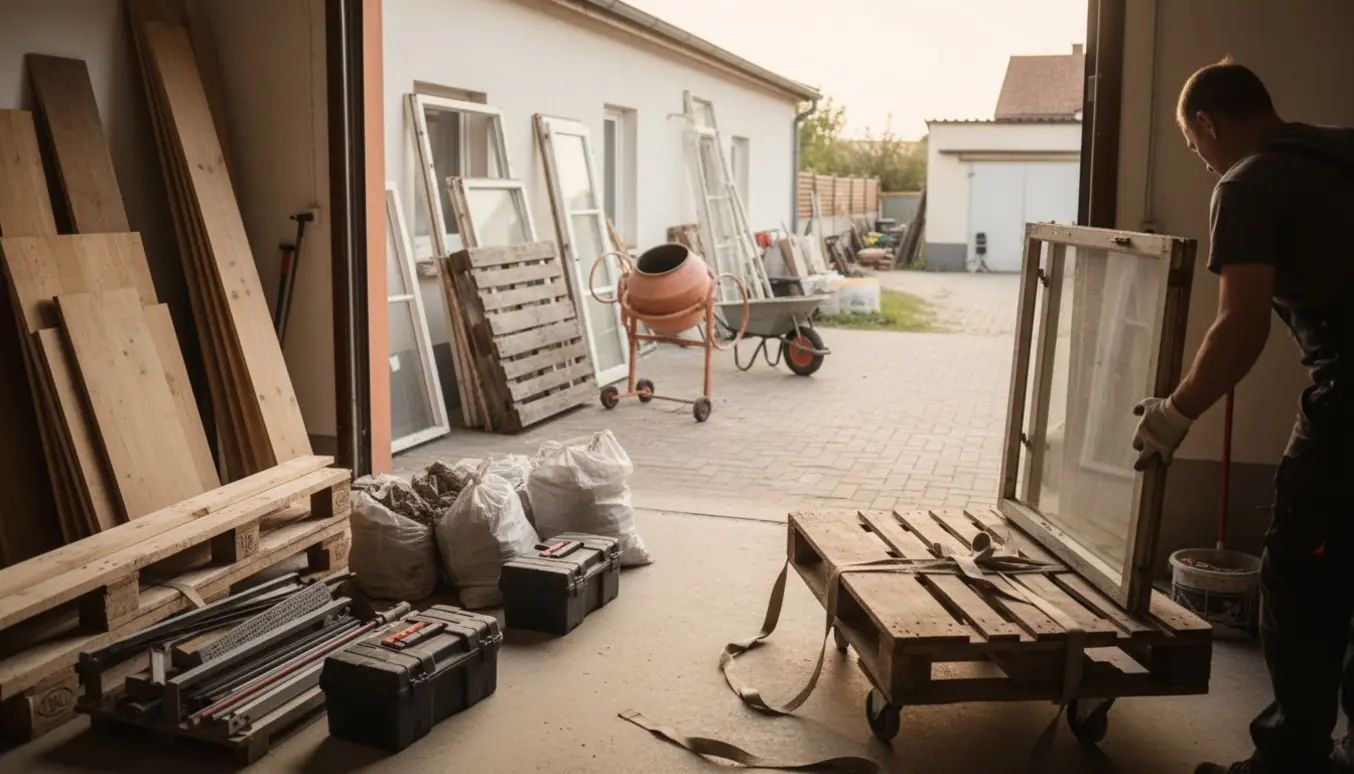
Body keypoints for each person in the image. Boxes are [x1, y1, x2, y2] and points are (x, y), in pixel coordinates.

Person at [1130, 58, 1354, 774]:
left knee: (1299, 574)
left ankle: (1292, 758)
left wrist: (1174, 413)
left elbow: (1241, 327)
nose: (1203, 163)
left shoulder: (1247, 182)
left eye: (1197, 150)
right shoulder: (1342, 147)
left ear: (1206, 124)